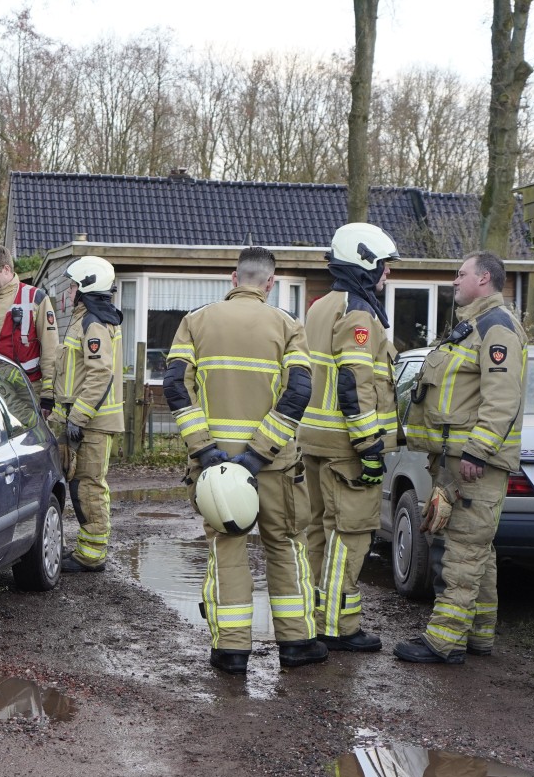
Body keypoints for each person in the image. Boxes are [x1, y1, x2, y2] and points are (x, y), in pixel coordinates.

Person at [164, 246, 320, 673]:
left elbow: (176, 386)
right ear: (270, 283)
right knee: (285, 545)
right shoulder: (289, 326)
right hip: (275, 467)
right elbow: (299, 393)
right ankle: (297, 644)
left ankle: (231, 650)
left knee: (226, 547)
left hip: (214, 467)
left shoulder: (195, 322)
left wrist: (204, 448)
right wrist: (259, 453)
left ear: (233, 279)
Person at [394, 251, 528, 664]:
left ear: (484, 278)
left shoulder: (497, 328)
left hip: (474, 465)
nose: (454, 280)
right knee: (476, 549)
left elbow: (502, 399)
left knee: (463, 552)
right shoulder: (472, 328)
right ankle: (479, 635)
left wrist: (478, 450)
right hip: (455, 461)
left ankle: (443, 642)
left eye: (461, 273)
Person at [298, 223, 401, 655]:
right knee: (351, 533)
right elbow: (353, 383)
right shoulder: (359, 313)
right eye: (383, 266)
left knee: (318, 532)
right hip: (347, 447)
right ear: (363, 263)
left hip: (317, 441)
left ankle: (313, 615)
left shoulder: (321, 306)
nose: (387, 275)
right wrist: (370, 447)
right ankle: (339, 626)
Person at [51, 256, 124, 572]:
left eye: (72, 285)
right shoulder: (86, 319)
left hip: (91, 424)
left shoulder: (93, 323)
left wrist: (78, 418)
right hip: (82, 421)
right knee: (81, 486)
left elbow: (99, 374)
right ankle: (86, 550)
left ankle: (92, 556)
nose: (68, 291)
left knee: (89, 487)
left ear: (84, 288)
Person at [0, 245, 60, 406]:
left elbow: (51, 349)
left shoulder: (36, 298)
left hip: (28, 389)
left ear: (6, 269)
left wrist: (48, 393)